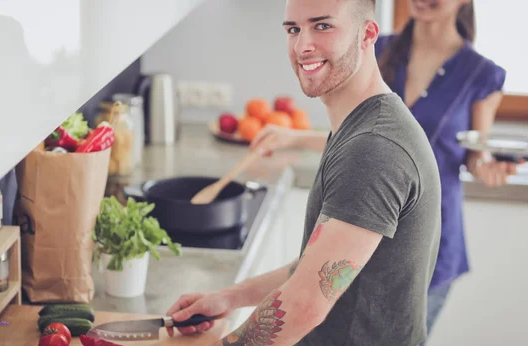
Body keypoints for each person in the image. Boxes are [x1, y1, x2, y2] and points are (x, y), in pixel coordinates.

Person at [166, 0, 442, 345]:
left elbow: (305, 303)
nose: (302, 46)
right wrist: (230, 297)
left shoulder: (373, 148)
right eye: (293, 29)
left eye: (323, 26)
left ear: (367, 34)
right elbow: (319, 270)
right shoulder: (359, 126)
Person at [248, 0, 519, 343]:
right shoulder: (382, 47)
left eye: (320, 26)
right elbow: (359, 136)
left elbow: (472, 155)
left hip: (428, 230)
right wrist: (295, 137)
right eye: (294, 30)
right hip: (368, 204)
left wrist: (488, 168)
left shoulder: (481, 73)